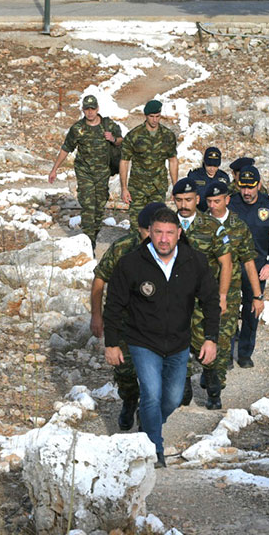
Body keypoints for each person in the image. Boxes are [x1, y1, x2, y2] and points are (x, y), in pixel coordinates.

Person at [103, 207, 220, 468]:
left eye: (169, 233)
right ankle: (154, 448)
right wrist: (111, 343)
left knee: (172, 398)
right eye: (158, 232)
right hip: (143, 342)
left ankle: (148, 423)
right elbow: (113, 305)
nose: (164, 239)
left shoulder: (195, 262)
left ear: (179, 233)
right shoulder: (131, 263)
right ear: (149, 234)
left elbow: (211, 301)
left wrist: (211, 338)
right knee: (152, 395)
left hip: (178, 344)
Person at [91, 201, 164, 431]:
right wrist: (97, 316)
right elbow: (100, 279)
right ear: (140, 229)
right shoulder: (122, 248)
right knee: (125, 372)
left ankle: (146, 424)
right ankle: (129, 399)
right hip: (124, 324)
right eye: (147, 231)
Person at [199, 180, 264, 408]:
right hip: (200, 295)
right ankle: (208, 371)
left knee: (223, 342)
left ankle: (215, 392)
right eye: (209, 201)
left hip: (230, 295)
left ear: (227, 200)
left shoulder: (238, 226)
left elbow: (248, 262)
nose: (213, 205)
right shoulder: (198, 225)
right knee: (200, 338)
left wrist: (257, 296)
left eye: (217, 201)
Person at [171, 177, 232, 407]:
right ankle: (183, 389)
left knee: (205, 343)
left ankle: (213, 391)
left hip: (203, 298)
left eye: (188, 200)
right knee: (178, 343)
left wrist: (222, 296)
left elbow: (226, 263)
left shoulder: (211, 227)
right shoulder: (167, 227)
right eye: (179, 200)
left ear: (197, 199)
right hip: (175, 299)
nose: (184, 205)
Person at [49, 94, 123, 251]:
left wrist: (113, 139)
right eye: (87, 109)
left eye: (93, 109)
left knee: (98, 209)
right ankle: (89, 247)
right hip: (85, 174)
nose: (90, 112)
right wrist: (54, 169)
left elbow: (122, 141)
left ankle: (93, 237)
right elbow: (66, 148)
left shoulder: (108, 125)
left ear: (98, 109)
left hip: (103, 173)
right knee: (89, 209)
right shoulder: (78, 129)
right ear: (83, 110)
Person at [228, 166, 269, 368]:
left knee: (253, 310)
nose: (246, 192)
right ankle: (226, 353)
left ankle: (244, 353)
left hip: (258, 266)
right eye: (242, 187)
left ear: (258, 185)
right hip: (231, 267)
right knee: (229, 310)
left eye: (250, 187)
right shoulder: (230, 203)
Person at [120, 99, 178, 232]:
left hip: (157, 187)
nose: (155, 120)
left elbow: (173, 160)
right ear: (146, 116)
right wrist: (124, 188)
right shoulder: (134, 136)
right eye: (151, 116)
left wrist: (175, 186)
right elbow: (124, 161)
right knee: (136, 226)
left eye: (157, 116)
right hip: (137, 188)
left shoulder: (167, 136)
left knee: (157, 225)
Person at [187, 146, 230, 212]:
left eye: (215, 166)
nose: (212, 169)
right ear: (204, 163)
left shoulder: (224, 178)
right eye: (209, 165)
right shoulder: (194, 176)